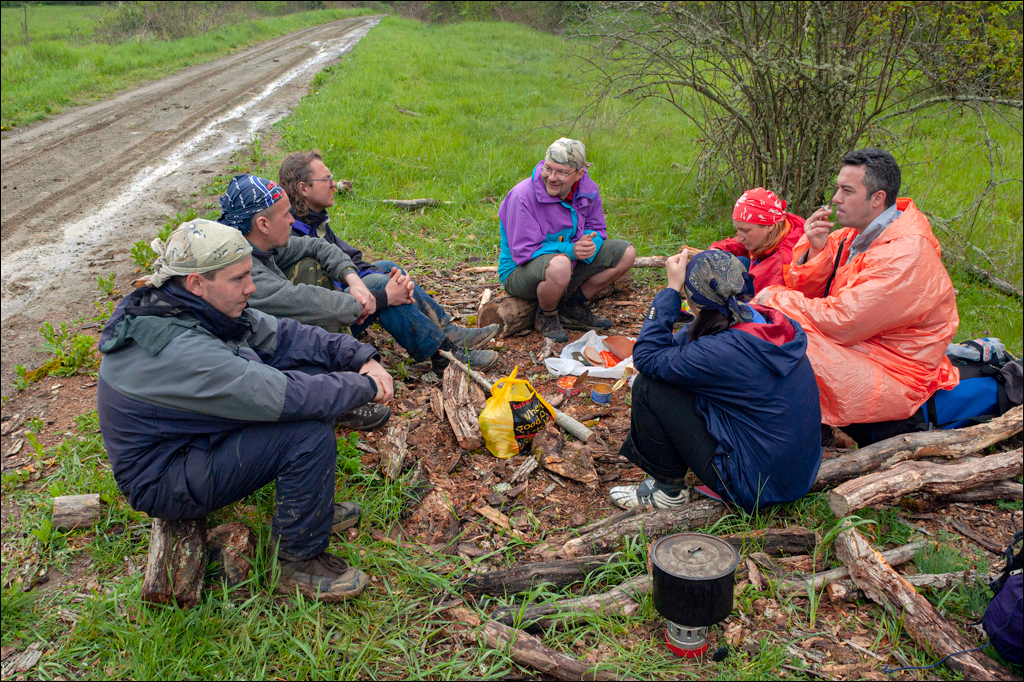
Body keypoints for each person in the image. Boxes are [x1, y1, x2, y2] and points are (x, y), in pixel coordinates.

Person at [97, 220, 391, 601]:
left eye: (250, 274)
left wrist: (359, 356)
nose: (250, 288)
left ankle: (309, 507)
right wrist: (366, 385)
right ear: (196, 283)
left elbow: (284, 335)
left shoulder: (194, 308)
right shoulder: (182, 351)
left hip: (190, 435)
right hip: (163, 475)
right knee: (306, 432)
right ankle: (296, 563)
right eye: (238, 279)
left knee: (311, 374)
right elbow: (286, 397)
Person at [218, 173, 500, 381]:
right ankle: (445, 356)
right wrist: (377, 299)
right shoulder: (244, 273)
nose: (293, 222)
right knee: (380, 286)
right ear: (263, 224)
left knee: (379, 280)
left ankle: (445, 341)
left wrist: (352, 279)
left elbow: (317, 245)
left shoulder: (257, 244)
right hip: (286, 354)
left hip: (300, 332)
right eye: (285, 216)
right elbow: (305, 301)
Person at [755, 148, 959, 432]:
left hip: (896, 372)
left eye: (847, 191)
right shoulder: (860, 233)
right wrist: (815, 249)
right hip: (863, 346)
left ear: (877, 198)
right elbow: (816, 294)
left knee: (782, 338)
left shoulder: (905, 255)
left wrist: (776, 299)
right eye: (837, 188)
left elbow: (843, 322)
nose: (836, 198)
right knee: (770, 330)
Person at [609, 250, 822, 512]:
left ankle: (667, 492)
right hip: (796, 472)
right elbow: (686, 341)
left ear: (694, 302)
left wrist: (671, 291)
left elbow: (647, 358)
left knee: (649, 387)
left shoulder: (722, 350)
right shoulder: (760, 318)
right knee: (672, 374)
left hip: (758, 486)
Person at [498, 138, 636, 342]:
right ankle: (546, 315)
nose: (552, 178)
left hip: (567, 262)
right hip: (519, 271)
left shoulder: (588, 190)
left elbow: (597, 228)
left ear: (579, 173)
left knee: (626, 253)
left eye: (561, 172)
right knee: (560, 264)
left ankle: (574, 306)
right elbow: (524, 251)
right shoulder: (522, 196)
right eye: (548, 169)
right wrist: (572, 250)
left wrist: (590, 244)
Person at [706, 187, 806, 294]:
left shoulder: (782, 262)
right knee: (739, 262)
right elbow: (737, 244)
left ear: (770, 226)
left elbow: (767, 308)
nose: (739, 238)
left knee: (737, 267)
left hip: (775, 302)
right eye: (738, 229)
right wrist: (716, 251)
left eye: (745, 230)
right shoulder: (778, 229)